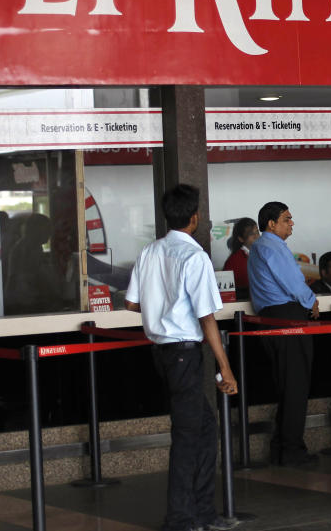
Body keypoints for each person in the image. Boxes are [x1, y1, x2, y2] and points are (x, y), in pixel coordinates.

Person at [124, 184, 237, 531]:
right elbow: (206, 318)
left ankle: (202, 513)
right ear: (194, 217)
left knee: (203, 429)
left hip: (162, 353)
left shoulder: (149, 251)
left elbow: (131, 303)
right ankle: (181, 518)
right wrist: (225, 367)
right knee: (189, 437)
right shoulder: (195, 256)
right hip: (185, 355)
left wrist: (161, 309)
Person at [248, 201, 320, 466]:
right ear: (271, 223)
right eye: (287, 219)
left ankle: (282, 447)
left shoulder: (259, 247)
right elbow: (292, 283)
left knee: (286, 384)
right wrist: (311, 300)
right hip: (288, 316)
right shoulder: (272, 247)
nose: (292, 223)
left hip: (270, 319)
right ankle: (292, 450)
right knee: (296, 385)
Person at [222, 217, 258, 299]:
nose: (256, 236)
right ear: (241, 239)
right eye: (251, 234)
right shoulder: (233, 261)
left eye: (257, 232)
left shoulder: (263, 255)